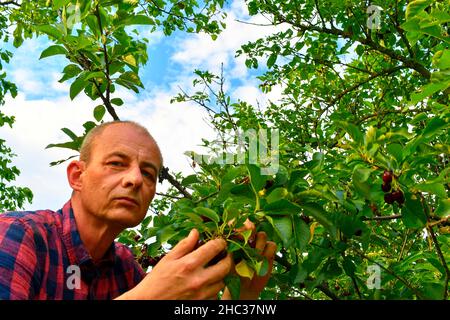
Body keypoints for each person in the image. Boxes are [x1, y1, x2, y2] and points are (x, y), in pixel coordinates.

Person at [0, 120, 276, 300]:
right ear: (77, 176)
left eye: (148, 173)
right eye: (117, 163)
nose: (135, 179)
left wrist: (240, 296)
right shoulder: (19, 235)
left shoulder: (126, 269)